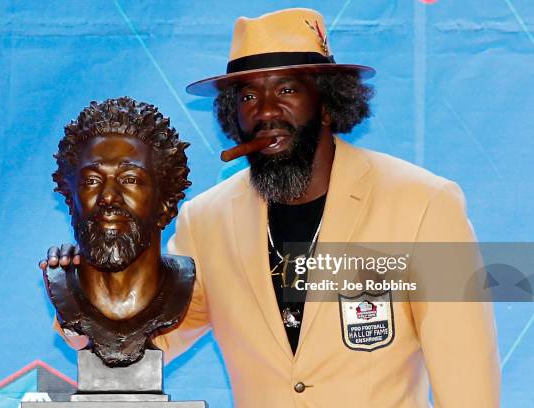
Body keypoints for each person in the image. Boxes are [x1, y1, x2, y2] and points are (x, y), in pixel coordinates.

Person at [42, 8, 500, 407]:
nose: (265, 111)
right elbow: (154, 339)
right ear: (231, 116)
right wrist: (88, 297)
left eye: (286, 90)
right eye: (247, 96)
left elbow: (468, 380)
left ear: (326, 104)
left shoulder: (425, 204)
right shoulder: (206, 220)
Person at [46, 97, 195, 366]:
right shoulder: (62, 278)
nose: (109, 197)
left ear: (166, 202)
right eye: (92, 180)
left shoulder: (189, 286)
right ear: (71, 198)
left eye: (130, 180)